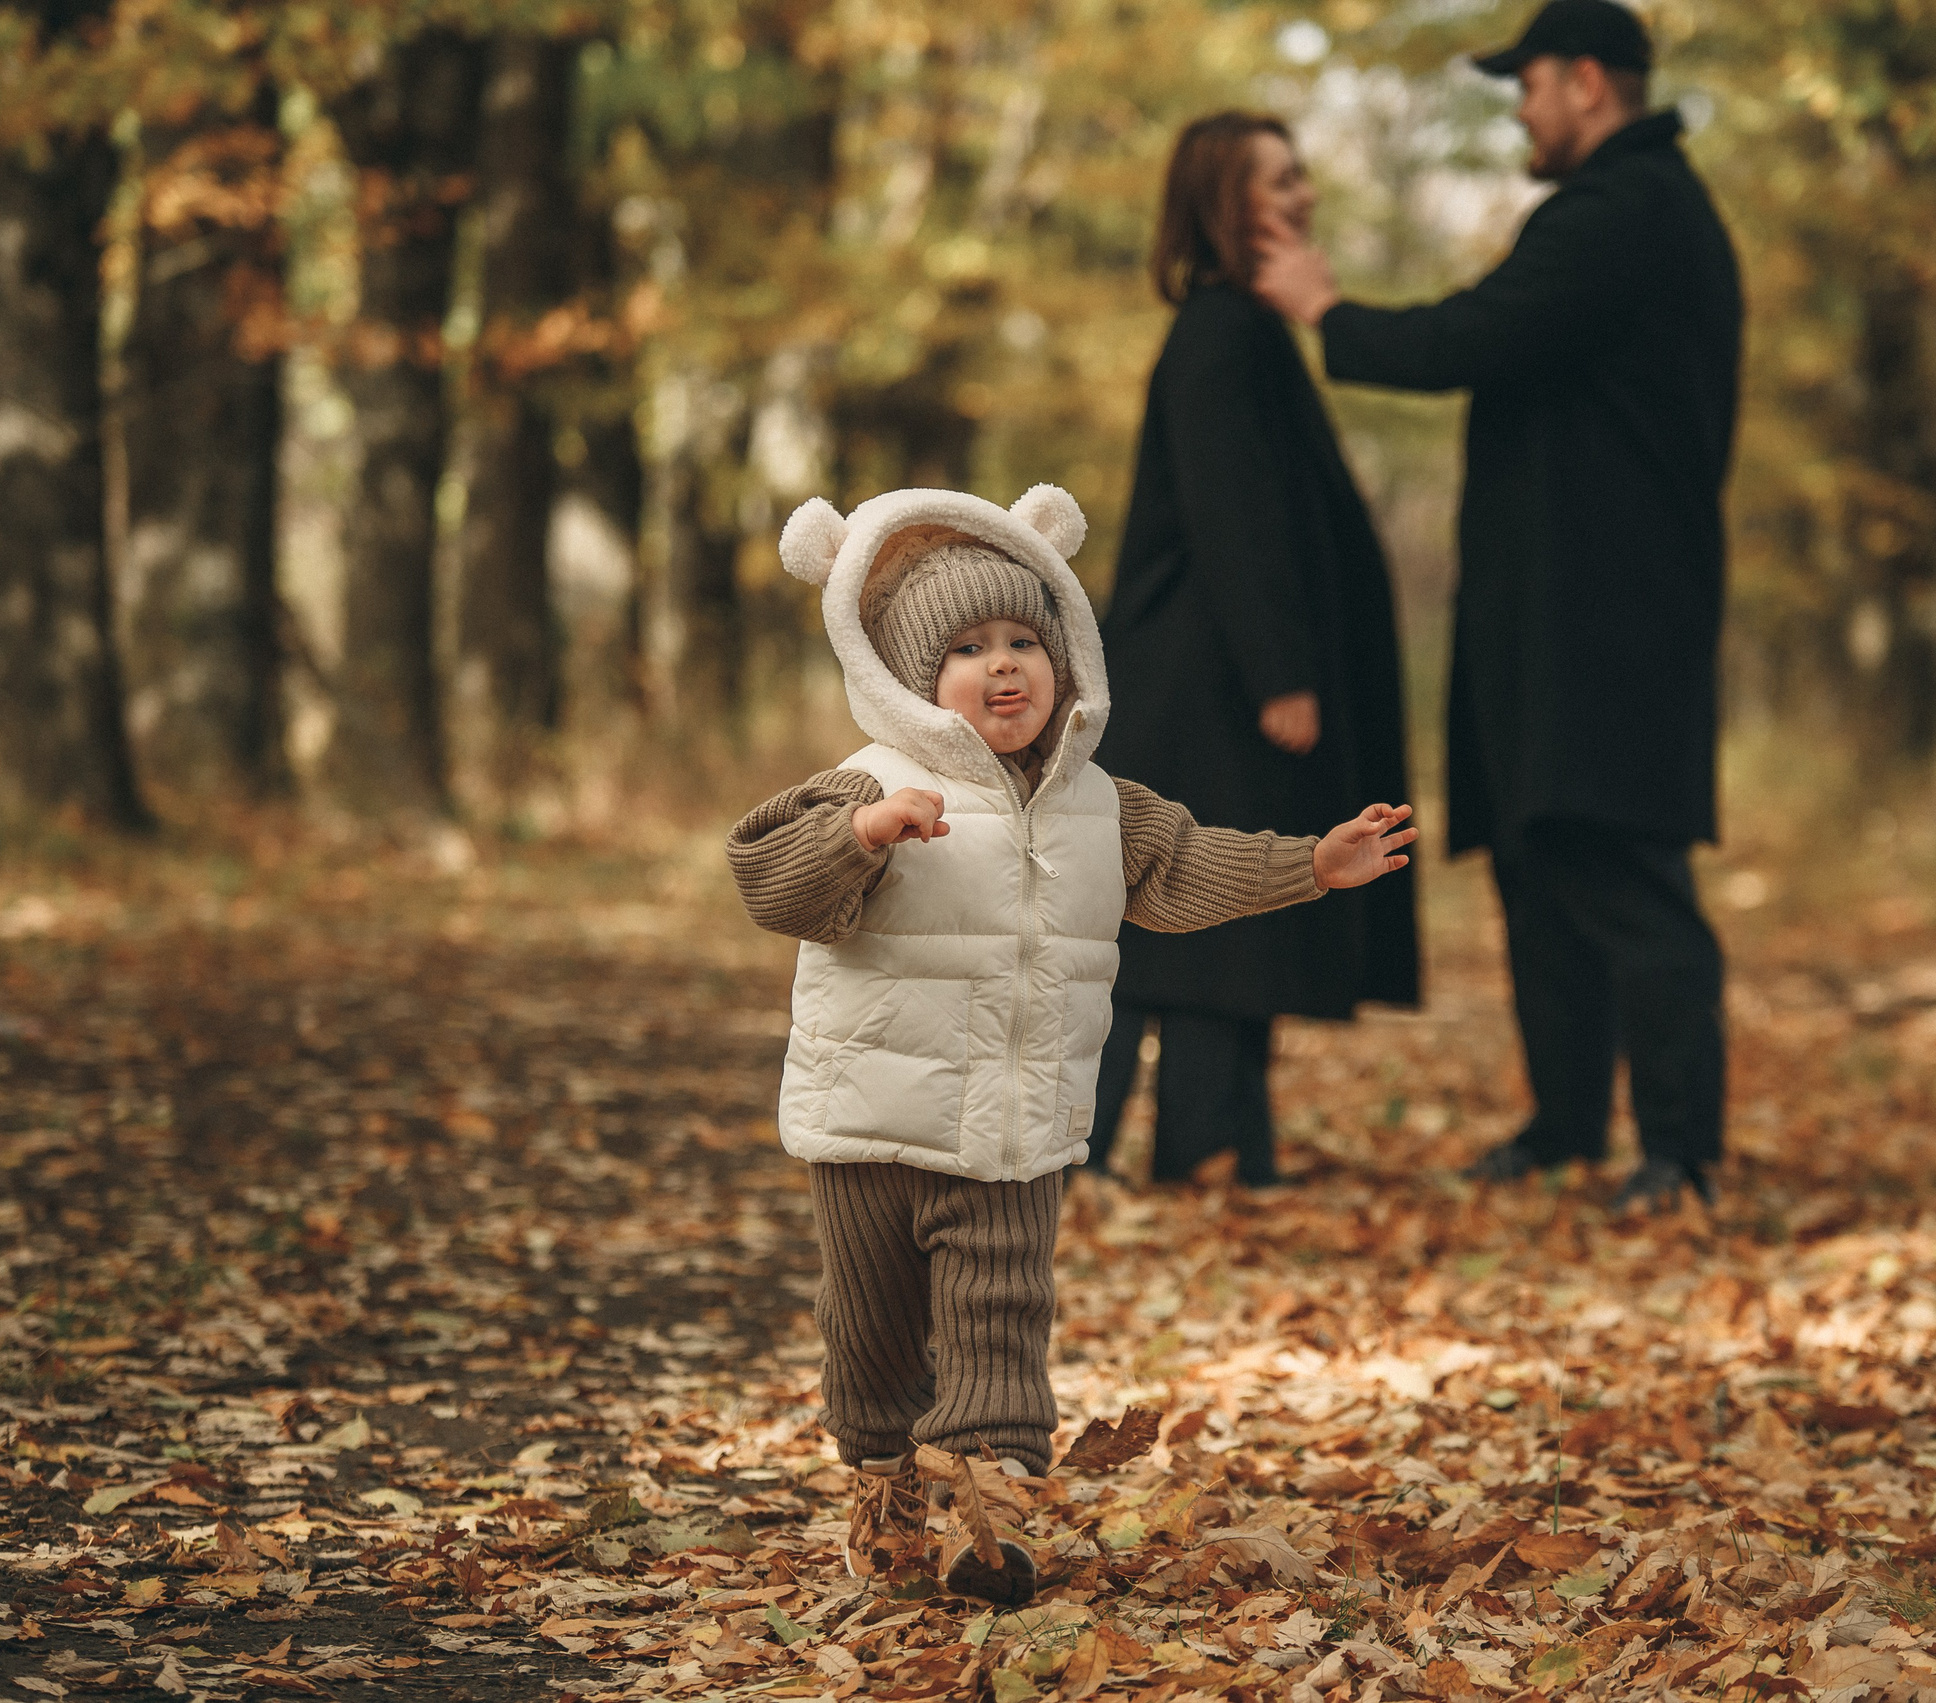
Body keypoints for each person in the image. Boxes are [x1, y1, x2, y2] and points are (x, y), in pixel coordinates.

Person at [727, 483, 1414, 1603]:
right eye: (966, 648)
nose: (1003, 666)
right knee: (872, 1328)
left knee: (1000, 1316)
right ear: (907, 675)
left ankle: (985, 1505)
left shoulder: (1101, 802)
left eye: (1024, 640)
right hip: (869, 1121)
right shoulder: (872, 780)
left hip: (1015, 1124)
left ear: (1066, 657)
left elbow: (1186, 866)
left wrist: (1308, 865)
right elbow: (768, 878)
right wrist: (860, 836)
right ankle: (883, 1478)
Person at [1252, 0, 1743, 1211]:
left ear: (1586, 82)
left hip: (1608, 622)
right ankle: (1566, 1126)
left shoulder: (1624, 212)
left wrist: (1326, 309)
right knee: (1542, 862)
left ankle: (1681, 1153)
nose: (1521, 111)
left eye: (1528, 86)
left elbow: (1467, 336)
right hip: (1561, 617)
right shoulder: (1628, 210)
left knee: (1620, 871)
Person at [1088, 111, 1420, 1188]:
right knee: (1188, 919)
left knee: (1212, 921)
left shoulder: (1243, 330)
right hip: (1206, 677)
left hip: (1213, 670)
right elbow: (1234, 515)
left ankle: (1210, 1153)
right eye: (1280, 181)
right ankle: (1146, 1158)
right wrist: (1283, 674)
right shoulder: (1221, 334)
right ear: (1225, 204)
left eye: (1302, 174)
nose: (1305, 194)